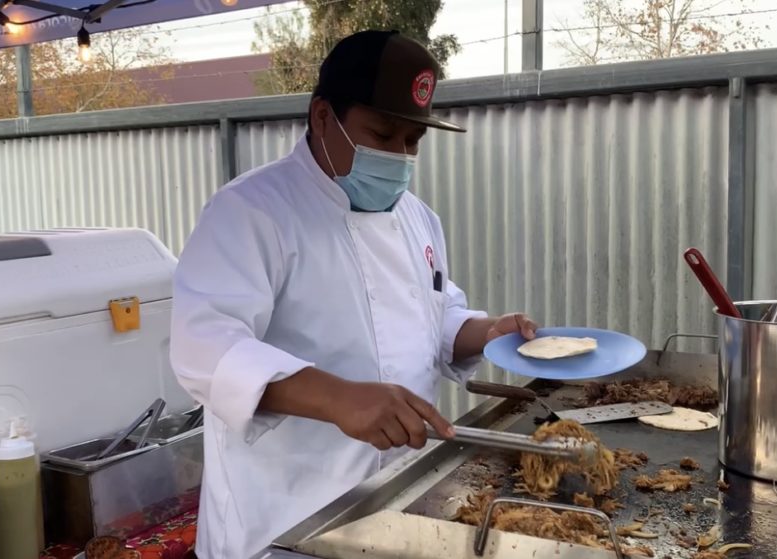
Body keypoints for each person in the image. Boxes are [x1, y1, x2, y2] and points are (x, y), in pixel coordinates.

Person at [170, 29, 538, 559]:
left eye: (413, 142)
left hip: (394, 501)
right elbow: (205, 348)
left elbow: (435, 315)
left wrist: (485, 331)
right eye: (384, 135)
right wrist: (339, 397)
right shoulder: (251, 211)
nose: (400, 156)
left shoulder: (417, 218)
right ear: (323, 116)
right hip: (281, 517)